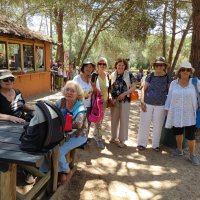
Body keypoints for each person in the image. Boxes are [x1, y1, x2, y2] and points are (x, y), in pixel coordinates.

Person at [0, 69, 35, 184]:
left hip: (21, 125)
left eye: (11, 79)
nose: (9, 81)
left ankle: (28, 170)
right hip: (5, 130)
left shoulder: (17, 91)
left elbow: (22, 106)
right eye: (5, 79)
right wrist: (10, 118)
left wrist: (37, 109)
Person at [165, 61, 200, 166]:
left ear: (190, 72)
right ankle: (179, 150)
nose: (185, 71)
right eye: (183, 69)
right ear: (179, 71)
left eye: (188, 70)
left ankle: (192, 155)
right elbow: (170, 97)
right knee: (178, 132)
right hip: (176, 112)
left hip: (190, 114)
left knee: (191, 136)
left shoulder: (195, 82)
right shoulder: (173, 83)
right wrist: (167, 110)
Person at [56, 81, 88, 184]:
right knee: (48, 146)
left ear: (78, 94)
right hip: (63, 133)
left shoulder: (80, 107)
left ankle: (66, 170)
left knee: (59, 150)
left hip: (78, 135)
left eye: (72, 91)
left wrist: (60, 126)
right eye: (67, 90)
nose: (69, 92)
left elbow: (78, 125)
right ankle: (56, 171)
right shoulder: (60, 102)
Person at [137, 57, 170, 151]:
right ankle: (142, 144)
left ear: (164, 66)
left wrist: (168, 106)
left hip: (161, 104)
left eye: (161, 65)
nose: (159, 67)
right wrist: (142, 101)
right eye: (157, 65)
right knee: (144, 123)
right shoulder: (150, 75)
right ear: (154, 66)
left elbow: (169, 91)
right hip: (147, 103)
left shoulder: (168, 77)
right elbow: (144, 89)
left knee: (158, 124)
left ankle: (156, 145)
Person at [110, 58, 135, 148]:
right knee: (114, 119)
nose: (121, 66)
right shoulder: (112, 74)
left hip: (125, 100)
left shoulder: (129, 75)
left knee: (124, 120)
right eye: (119, 64)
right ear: (116, 65)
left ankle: (122, 140)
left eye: (123, 65)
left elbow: (133, 88)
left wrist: (124, 94)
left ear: (125, 66)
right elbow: (110, 87)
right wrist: (111, 97)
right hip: (114, 101)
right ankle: (113, 137)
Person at [73, 58, 100, 132]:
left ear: (92, 69)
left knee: (87, 125)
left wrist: (94, 87)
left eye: (90, 67)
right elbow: (72, 91)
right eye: (86, 66)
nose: (88, 68)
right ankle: (77, 142)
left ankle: (84, 141)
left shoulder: (94, 79)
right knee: (77, 125)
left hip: (89, 107)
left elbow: (97, 92)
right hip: (78, 106)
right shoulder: (77, 78)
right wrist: (83, 95)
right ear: (83, 68)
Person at [91, 57, 110, 149]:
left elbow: (108, 89)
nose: (102, 66)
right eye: (100, 64)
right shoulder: (94, 75)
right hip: (97, 102)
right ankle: (99, 139)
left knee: (101, 120)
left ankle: (95, 134)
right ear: (97, 65)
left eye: (104, 64)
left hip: (105, 101)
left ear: (106, 66)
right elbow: (92, 88)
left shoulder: (107, 75)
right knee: (98, 121)